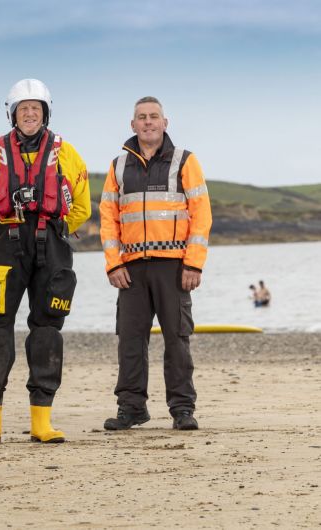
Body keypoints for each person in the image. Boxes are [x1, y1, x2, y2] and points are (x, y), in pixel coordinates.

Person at [0, 79, 91, 445]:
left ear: (46, 112)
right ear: (12, 114)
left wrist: (52, 228)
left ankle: (42, 421)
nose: (30, 114)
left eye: (36, 108)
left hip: (51, 244)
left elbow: (81, 205)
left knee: (48, 330)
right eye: (23, 109)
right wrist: (11, 229)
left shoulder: (67, 154)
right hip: (6, 244)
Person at [99, 96, 212, 431]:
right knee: (130, 340)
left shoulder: (184, 161)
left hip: (174, 266)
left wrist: (194, 264)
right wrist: (113, 264)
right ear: (132, 125)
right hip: (130, 269)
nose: (147, 122)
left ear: (165, 123)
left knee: (177, 338)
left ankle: (182, 409)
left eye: (153, 117)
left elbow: (201, 216)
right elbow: (108, 219)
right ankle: (131, 409)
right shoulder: (119, 165)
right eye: (141, 117)